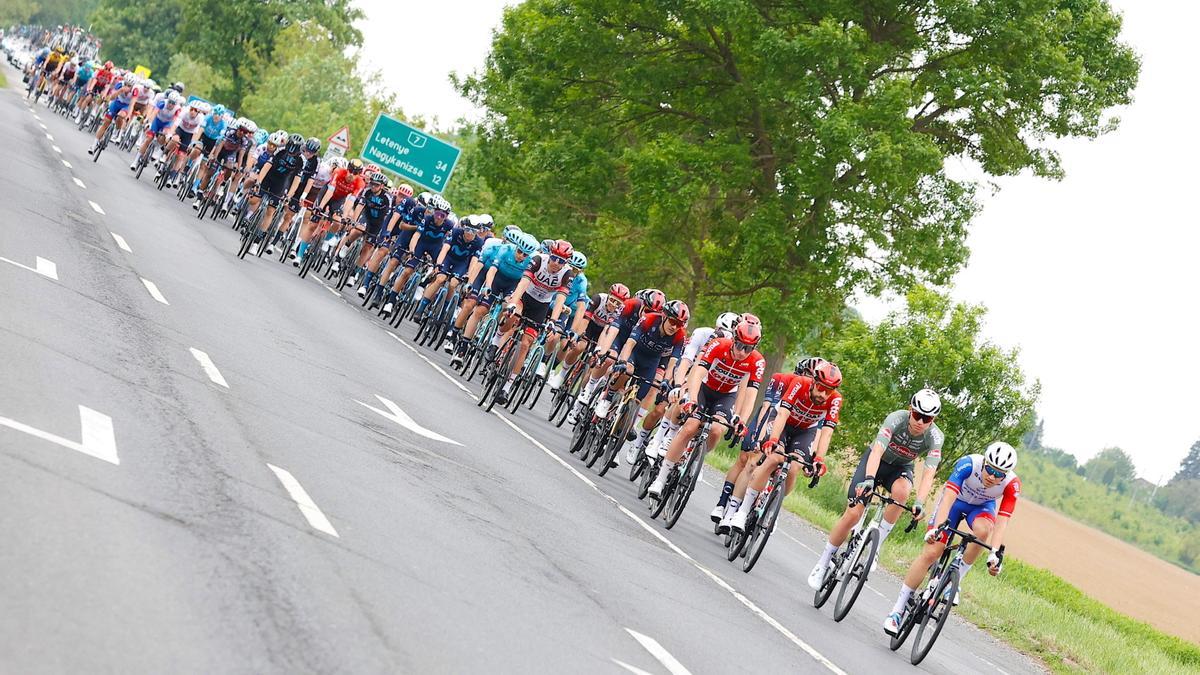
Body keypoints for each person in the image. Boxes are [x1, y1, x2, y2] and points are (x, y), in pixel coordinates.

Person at [807, 388, 945, 590]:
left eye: (927, 419)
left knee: (903, 493)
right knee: (853, 513)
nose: (921, 422)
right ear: (910, 410)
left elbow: (929, 472)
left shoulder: (935, 437)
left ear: (933, 419)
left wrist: (920, 503)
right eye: (917, 415)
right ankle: (823, 562)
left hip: (900, 469)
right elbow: (878, 449)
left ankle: (876, 544)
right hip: (876, 461)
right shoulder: (895, 419)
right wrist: (869, 479)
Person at [883, 442, 1019, 634]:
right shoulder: (968, 464)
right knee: (932, 553)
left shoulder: (1012, 485)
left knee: (984, 531)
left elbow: (1002, 521)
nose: (992, 477)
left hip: (981, 508)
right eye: (989, 469)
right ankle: (897, 611)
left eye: (999, 474)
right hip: (954, 503)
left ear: (1006, 475)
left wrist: (994, 554)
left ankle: (954, 583)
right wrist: (937, 529)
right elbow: (947, 498)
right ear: (984, 463)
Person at [647, 319, 765, 499]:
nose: (742, 352)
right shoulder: (718, 345)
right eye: (740, 346)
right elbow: (698, 372)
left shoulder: (757, 361)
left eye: (748, 349)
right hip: (703, 387)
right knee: (690, 426)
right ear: (733, 340)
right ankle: (661, 479)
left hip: (725, 396)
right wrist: (692, 399)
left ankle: (697, 458)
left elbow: (750, 394)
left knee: (717, 430)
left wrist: (741, 419)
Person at [723, 362, 843, 534]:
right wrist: (772, 440)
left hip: (804, 431)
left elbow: (826, 431)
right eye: (820, 388)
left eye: (829, 391)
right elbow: (783, 414)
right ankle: (742, 512)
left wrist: (818, 459)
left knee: (795, 466)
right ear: (813, 382)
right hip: (783, 423)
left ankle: (773, 505)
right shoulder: (800, 383)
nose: (823, 394)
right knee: (775, 457)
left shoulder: (835, 400)